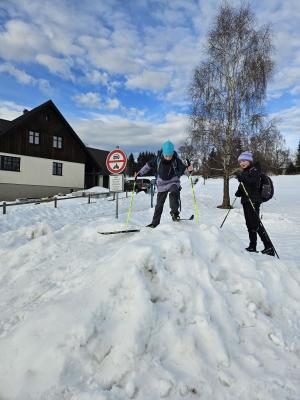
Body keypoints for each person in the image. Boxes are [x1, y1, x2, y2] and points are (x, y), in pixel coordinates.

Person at [135, 140, 193, 227]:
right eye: (167, 155)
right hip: (161, 184)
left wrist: (190, 170)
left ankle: (175, 213)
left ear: (173, 153)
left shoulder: (176, 160)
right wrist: (139, 173)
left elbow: (185, 171)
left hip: (173, 182)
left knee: (174, 192)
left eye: (170, 155)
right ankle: (155, 223)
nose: (168, 157)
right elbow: (147, 166)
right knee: (159, 205)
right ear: (163, 153)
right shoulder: (157, 159)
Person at [235, 151, 275, 256]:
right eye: (240, 161)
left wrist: (242, 178)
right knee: (249, 224)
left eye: (244, 160)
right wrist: (239, 192)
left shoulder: (254, 170)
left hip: (253, 200)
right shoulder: (245, 171)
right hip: (246, 201)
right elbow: (245, 185)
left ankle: (269, 247)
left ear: (249, 161)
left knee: (256, 224)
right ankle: (252, 246)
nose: (242, 163)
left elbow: (254, 182)